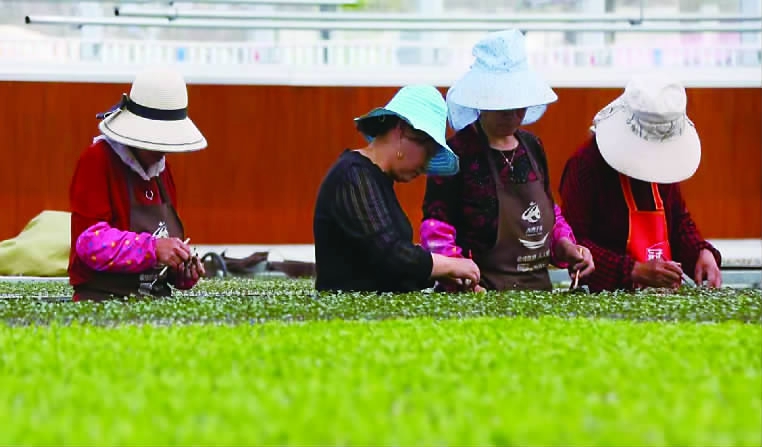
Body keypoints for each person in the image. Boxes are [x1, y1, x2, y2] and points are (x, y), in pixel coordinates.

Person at [420, 29, 594, 292]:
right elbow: (437, 227)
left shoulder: (532, 147)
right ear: (481, 99)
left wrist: (567, 247)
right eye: (502, 104)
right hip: (478, 294)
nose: (512, 113)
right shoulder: (457, 153)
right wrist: (456, 276)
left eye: (518, 103)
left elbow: (548, 212)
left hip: (538, 293)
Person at [558, 74, 722, 292]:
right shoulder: (586, 166)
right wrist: (633, 271)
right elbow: (574, 243)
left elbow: (678, 220)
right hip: (603, 300)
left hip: (663, 298)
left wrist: (701, 252)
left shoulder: (665, 165)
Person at [313, 84, 482, 293]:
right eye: (427, 153)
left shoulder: (377, 180)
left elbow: (384, 267)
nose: (425, 166)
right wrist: (450, 264)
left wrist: (446, 277)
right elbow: (391, 254)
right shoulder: (353, 175)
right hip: (348, 312)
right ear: (402, 131)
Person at [67, 67, 207, 301]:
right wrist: (153, 249)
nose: (162, 150)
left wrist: (180, 268)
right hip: (104, 301)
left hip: (156, 301)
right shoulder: (98, 159)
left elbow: (163, 251)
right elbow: (89, 244)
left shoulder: (162, 171)